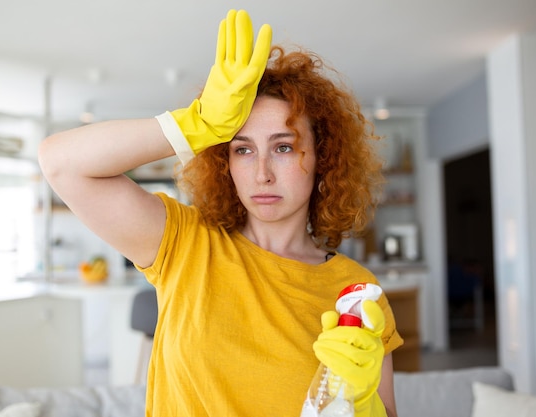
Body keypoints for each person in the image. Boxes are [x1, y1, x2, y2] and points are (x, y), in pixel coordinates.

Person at [39, 9, 403, 417]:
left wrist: (363, 398)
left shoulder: (356, 291)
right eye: (242, 149)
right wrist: (196, 124)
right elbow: (60, 163)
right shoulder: (184, 244)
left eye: (284, 147)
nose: (261, 173)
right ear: (224, 162)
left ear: (324, 158)